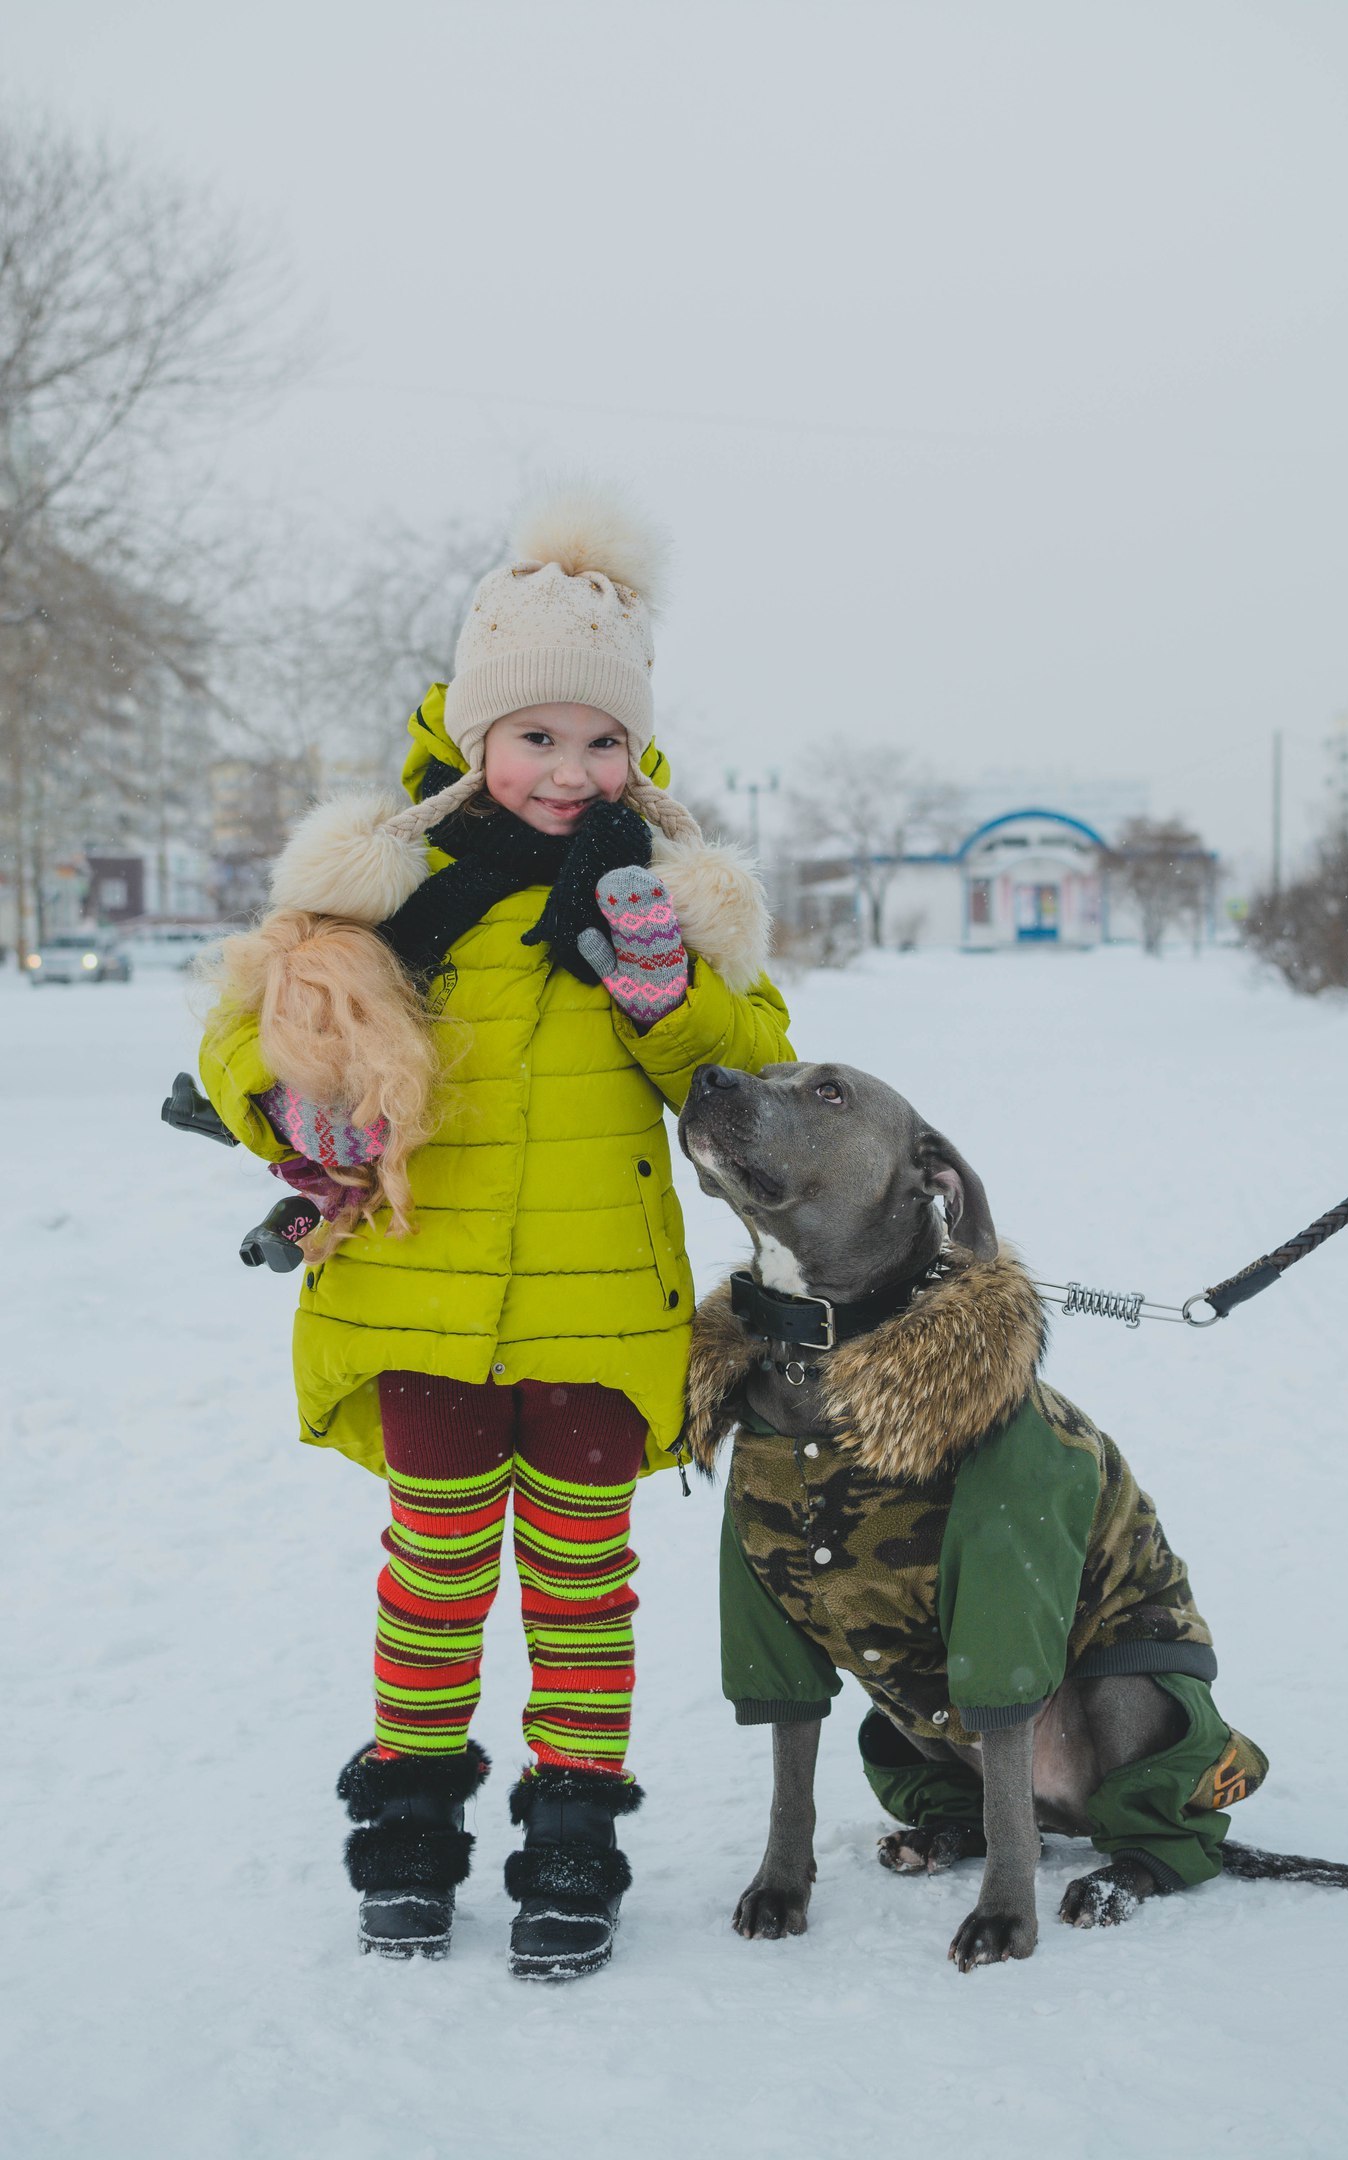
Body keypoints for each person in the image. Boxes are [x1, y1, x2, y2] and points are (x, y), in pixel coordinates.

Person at [197, 484, 792, 1975]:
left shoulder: (673, 898)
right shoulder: (383, 887)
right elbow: (248, 1036)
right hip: (416, 1296)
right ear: (476, 737)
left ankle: (574, 1834)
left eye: (603, 741)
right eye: (537, 735)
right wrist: (294, 1115)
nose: (570, 768)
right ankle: (409, 1828)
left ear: (637, 748)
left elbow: (751, 1087)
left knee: (584, 1581)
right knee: (438, 1566)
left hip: (601, 1314)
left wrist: (670, 995)